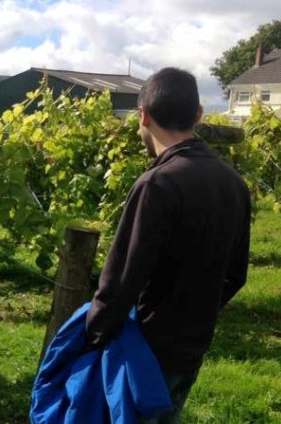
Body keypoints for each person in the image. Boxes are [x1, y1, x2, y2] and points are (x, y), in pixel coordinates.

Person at [84, 67, 251, 423]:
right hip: (193, 345)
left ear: (142, 115)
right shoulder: (234, 184)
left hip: (146, 351)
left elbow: (122, 278)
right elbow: (236, 275)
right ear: (198, 115)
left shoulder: (157, 184)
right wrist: (196, 313)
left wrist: (93, 336)